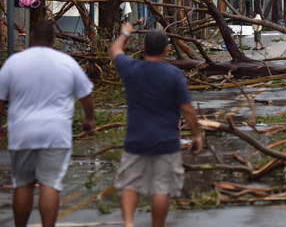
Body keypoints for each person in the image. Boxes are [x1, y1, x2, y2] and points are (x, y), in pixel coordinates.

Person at [0, 20, 95, 227]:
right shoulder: (67, 63)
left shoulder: (14, 63)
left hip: (21, 132)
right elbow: (86, 94)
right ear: (54, 38)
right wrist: (89, 119)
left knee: (22, 185)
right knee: (50, 184)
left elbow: (0, 97)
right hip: (55, 134)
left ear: (31, 36)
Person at [110, 23, 203, 227]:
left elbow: (115, 50)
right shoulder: (174, 75)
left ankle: (128, 223)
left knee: (129, 183)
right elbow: (187, 109)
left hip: (136, 139)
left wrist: (125, 32)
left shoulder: (131, 68)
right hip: (166, 141)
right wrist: (197, 134)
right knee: (161, 188)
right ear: (166, 50)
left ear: (143, 48)